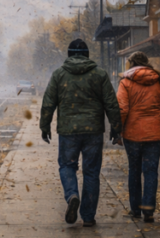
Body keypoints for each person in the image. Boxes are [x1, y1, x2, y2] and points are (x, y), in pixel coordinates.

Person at [39, 39, 122, 227]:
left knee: (67, 166)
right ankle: (88, 216)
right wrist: (116, 128)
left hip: (68, 131)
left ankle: (72, 195)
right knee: (92, 172)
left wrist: (45, 126)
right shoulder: (99, 75)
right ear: (87, 55)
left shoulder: (59, 75)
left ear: (69, 54)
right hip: (93, 131)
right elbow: (111, 103)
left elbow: (48, 102)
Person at [116, 51, 160, 223]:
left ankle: (135, 210)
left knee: (134, 170)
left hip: (132, 134)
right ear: (146, 63)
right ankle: (148, 210)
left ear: (131, 64)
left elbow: (122, 109)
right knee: (151, 171)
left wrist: (119, 130)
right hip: (155, 135)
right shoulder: (159, 81)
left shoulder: (126, 82)